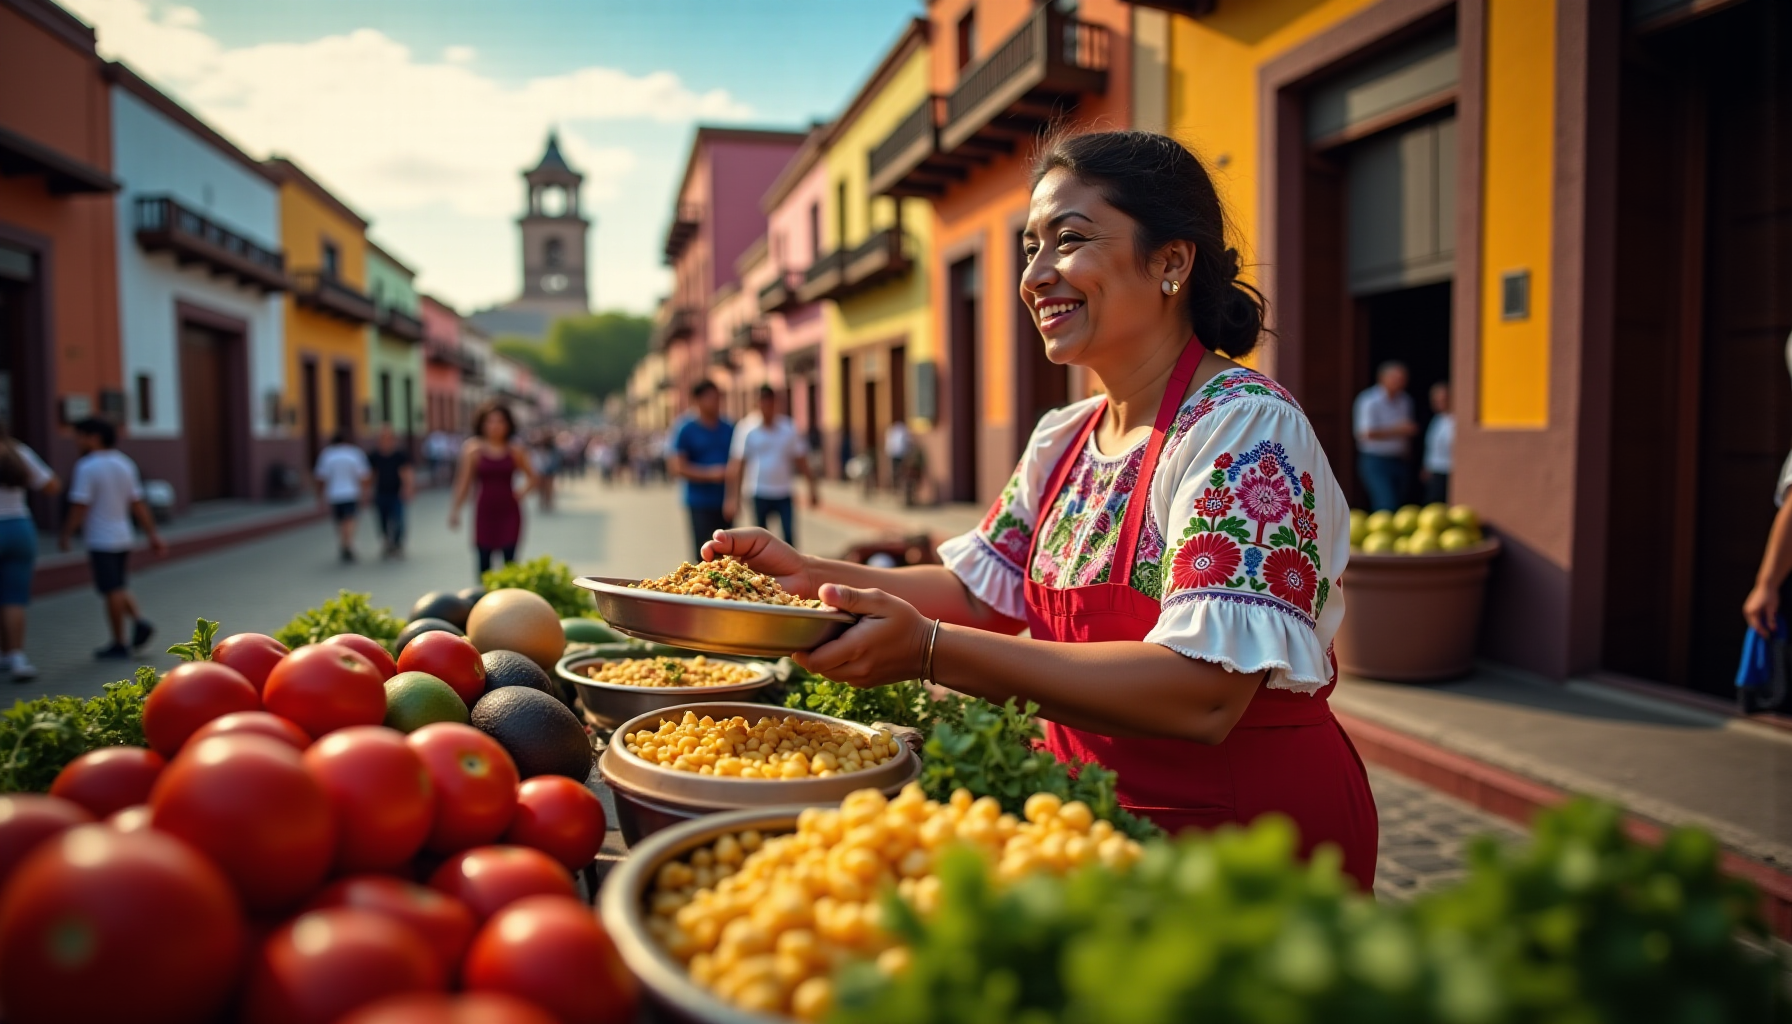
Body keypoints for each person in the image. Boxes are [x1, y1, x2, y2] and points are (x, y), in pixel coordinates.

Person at [703, 130, 1377, 890]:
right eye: (1030, 248)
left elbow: (1205, 692)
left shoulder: (1245, 427)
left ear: (1172, 261)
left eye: (1070, 239)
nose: (1035, 275)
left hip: (1239, 838)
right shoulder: (1065, 436)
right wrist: (805, 578)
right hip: (1088, 822)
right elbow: (981, 591)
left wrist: (929, 651)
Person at [61, 418, 165, 659]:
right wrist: (152, 534)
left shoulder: (87, 467)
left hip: (101, 538)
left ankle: (119, 642)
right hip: (123, 536)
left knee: (111, 589)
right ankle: (139, 622)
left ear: (94, 437)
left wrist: (66, 533)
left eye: (81, 436)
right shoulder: (124, 464)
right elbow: (138, 503)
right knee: (118, 585)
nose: (78, 441)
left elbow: (79, 505)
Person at [449, 401, 538, 577]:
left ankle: (510, 603)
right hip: (484, 511)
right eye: (490, 421)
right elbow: (463, 482)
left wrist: (520, 493)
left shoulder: (515, 450)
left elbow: (533, 477)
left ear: (508, 424)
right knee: (484, 564)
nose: (495, 426)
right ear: (482, 423)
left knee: (510, 564)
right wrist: (455, 510)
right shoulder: (473, 450)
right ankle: (485, 602)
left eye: (500, 421)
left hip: (510, 511)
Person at [725, 385, 818, 546]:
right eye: (763, 402)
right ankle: (764, 571)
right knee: (760, 540)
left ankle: (789, 570)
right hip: (757, 491)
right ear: (757, 403)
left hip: (783, 491)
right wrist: (733, 497)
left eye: (769, 402)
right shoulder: (746, 429)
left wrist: (812, 487)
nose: (766, 407)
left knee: (789, 538)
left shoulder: (788, 428)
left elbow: (801, 460)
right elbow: (738, 464)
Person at [0, 422, 57, 680]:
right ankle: (16, 658)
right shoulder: (17, 452)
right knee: (14, 597)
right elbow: (51, 485)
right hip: (20, 528)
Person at [668, 380, 734, 560]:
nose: (716, 402)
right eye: (711, 398)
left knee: (728, 553)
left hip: (724, 500)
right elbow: (677, 467)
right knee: (704, 553)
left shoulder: (728, 427)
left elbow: (738, 463)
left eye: (718, 398)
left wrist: (734, 497)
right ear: (697, 400)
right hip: (699, 501)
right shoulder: (685, 429)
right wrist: (710, 474)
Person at [1353, 360, 1416, 512]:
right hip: (1376, 460)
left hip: (1399, 458)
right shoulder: (1369, 400)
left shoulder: (1405, 400)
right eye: (1396, 378)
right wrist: (1399, 430)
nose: (1400, 382)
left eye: (1402, 379)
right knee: (1386, 503)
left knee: (1401, 504)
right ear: (1382, 378)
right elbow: (1365, 433)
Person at [314, 430, 370, 563]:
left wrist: (319, 496)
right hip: (351, 492)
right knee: (350, 520)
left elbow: (321, 477)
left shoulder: (327, 454)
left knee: (339, 521)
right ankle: (349, 543)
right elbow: (364, 475)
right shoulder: (354, 453)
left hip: (334, 494)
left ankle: (344, 543)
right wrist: (364, 492)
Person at [367, 425, 414, 559]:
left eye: (389, 437)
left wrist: (408, 488)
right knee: (382, 520)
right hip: (380, 493)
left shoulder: (399, 455)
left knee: (398, 519)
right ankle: (387, 542)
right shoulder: (374, 455)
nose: (386, 440)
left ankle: (397, 543)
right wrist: (366, 491)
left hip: (396, 493)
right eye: (383, 437)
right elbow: (371, 475)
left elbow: (406, 472)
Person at [1420, 381, 1454, 506]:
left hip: (1450, 468)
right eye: (1435, 400)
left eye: (1443, 399)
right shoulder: (1437, 419)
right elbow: (1431, 445)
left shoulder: (1455, 420)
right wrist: (1427, 465)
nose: (1439, 403)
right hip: (1436, 469)